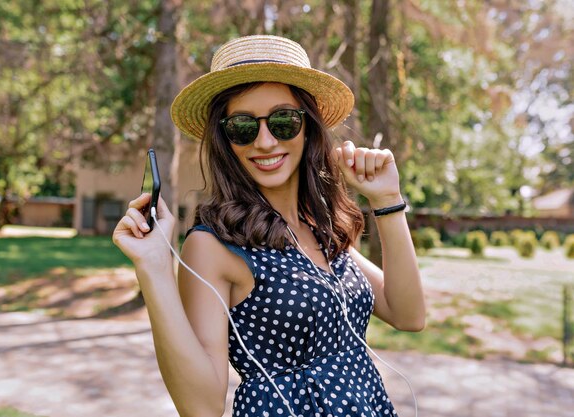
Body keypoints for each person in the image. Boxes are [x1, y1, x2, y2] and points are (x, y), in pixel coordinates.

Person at [112, 35, 425, 417]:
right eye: (242, 127)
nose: (264, 141)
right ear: (225, 140)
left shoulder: (319, 226)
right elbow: (201, 407)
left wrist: (387, 201)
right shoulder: (213, 244)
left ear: (308, 127)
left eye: (283, 121)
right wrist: (154, 269)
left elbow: (409, 315)